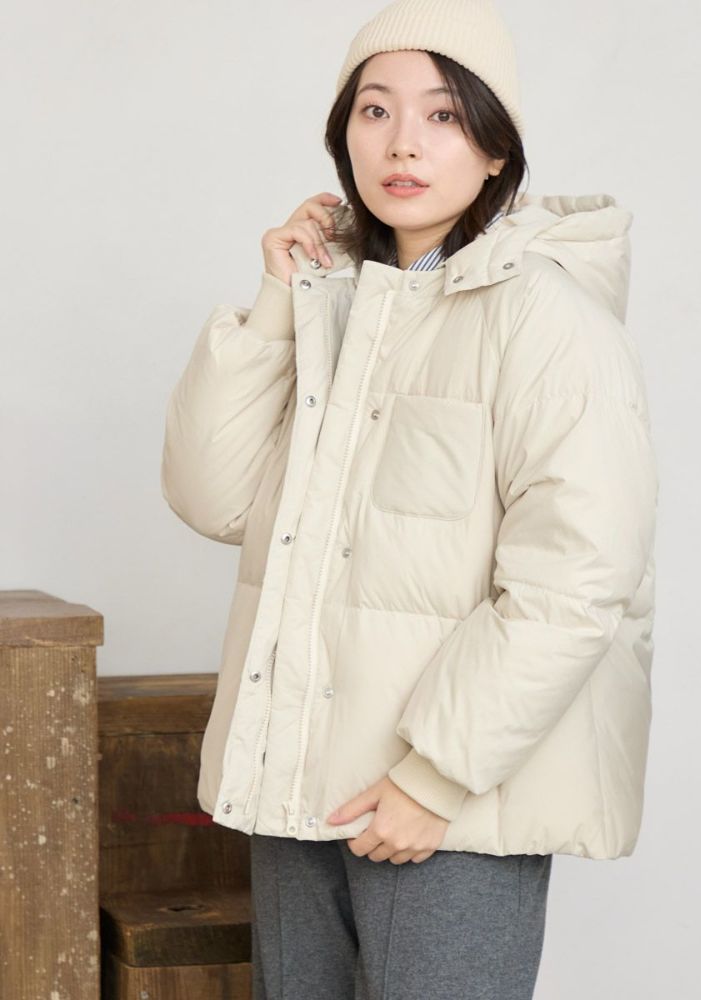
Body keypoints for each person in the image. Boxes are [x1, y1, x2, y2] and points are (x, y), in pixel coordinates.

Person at [159, 0, 659, 996]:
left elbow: (575, 582)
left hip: (449, 807)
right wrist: (279, 300)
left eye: (442, 114)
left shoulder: (548, 322)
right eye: (374, 110)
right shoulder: (332, 306)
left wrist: (435, 777)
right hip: (295, 783)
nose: (401, 143)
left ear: (496, 150)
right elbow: (211, 498)